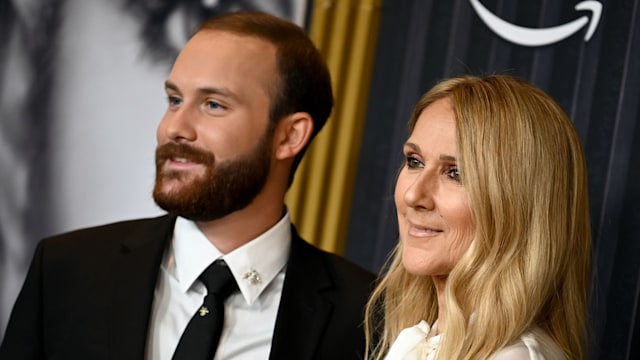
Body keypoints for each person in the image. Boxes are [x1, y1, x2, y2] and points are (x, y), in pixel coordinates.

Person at [0, 11, 375, 360]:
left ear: (289, 136)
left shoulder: (365, 317)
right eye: (175, 99)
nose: (174, 127)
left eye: (213, 104)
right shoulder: (67, 271)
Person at [364, 75, 591, 360]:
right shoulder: (428, 341)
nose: (413, 196)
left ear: (516, 205)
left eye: (455, 173)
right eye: (414, 161)